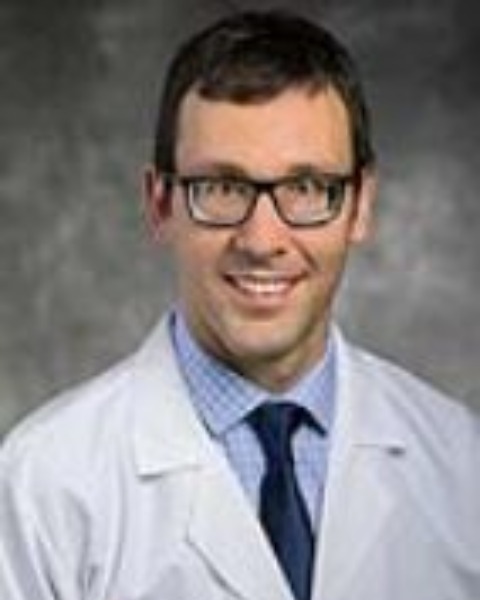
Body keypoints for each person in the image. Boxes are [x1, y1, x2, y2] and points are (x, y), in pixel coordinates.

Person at [0, 9, 479, 600]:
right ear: (159, 204)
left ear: (359, 206)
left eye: (306, 188)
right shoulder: (41, 486)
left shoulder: (463, 466)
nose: (261, 240)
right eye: (223, 188)